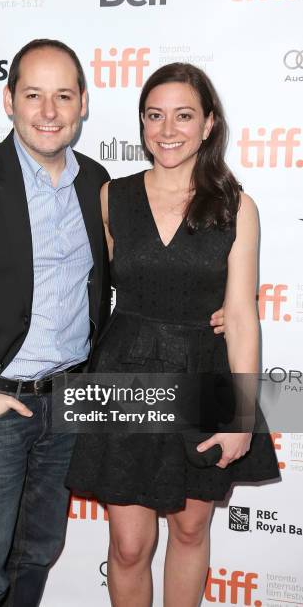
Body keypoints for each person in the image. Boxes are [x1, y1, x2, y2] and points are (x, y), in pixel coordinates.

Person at [0, 40, 224, 606]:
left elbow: (142, 272)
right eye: (33, 95)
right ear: (9, 100)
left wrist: (216, 308)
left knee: (37, 552)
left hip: (74, 403)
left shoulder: (98, 186)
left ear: (82, 106)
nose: (48, 111)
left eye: (63, 96)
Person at [66, 63, 280, 607]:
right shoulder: (113, 197)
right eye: (154, 115)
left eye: (184, 115)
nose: (167, 129)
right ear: (141, 123)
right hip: (124, 376)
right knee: (129, 545)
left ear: (208, 123)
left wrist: (241, 415)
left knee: (189, 531)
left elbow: (240, 317)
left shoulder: (237, 208)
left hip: (200, 374)